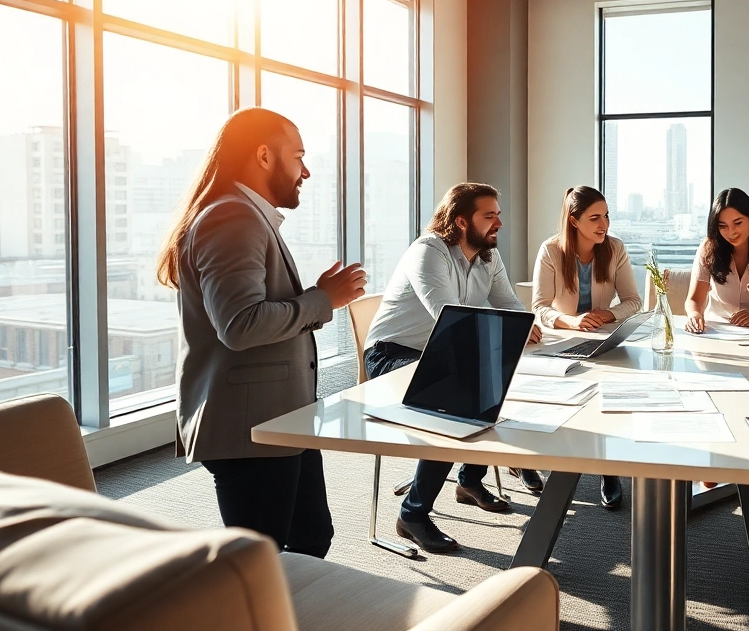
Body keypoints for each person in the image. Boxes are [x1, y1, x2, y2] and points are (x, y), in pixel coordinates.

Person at [160, 107, 367, 559]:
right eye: (298, 157)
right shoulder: (231, 219)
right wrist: (322, 300)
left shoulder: (245, 216)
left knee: (310, 537)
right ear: (263, 155)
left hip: (278, 418)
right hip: (249, 428)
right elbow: (239, 325)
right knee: (260, 561)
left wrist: (318, 298)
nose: (305, 171)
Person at [363, 182, 542, 553]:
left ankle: (468, 480)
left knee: (494, 381)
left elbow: (508, 303)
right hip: (392, 353)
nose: (499, 223)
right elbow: (448, 318)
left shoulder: (487, 256)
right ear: (461, 221)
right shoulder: (428, 252)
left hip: (444, 352)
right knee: (458, 397)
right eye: (489, 215)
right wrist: (501, 340)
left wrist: (526, 325)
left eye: (498, 214)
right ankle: (412, 514)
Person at [530, 186, 642, 509]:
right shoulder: (551, 251)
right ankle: (541, 464)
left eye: (606, 216)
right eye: (594, 218)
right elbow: (539, 307)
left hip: (603, 340)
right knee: (565, 401)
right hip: (561, 341)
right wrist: (572, 321)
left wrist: (607, 313)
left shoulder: (615, 249)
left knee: (609, 398)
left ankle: (608, 470)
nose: (603, 224)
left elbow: (634, 301)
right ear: (574, 220)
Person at [684, 188, 749, 333]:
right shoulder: (709, 247)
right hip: (716, 329)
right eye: (723, 226)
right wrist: (694, 315)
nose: (731, 232)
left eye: (738, 223)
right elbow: (694, 299)